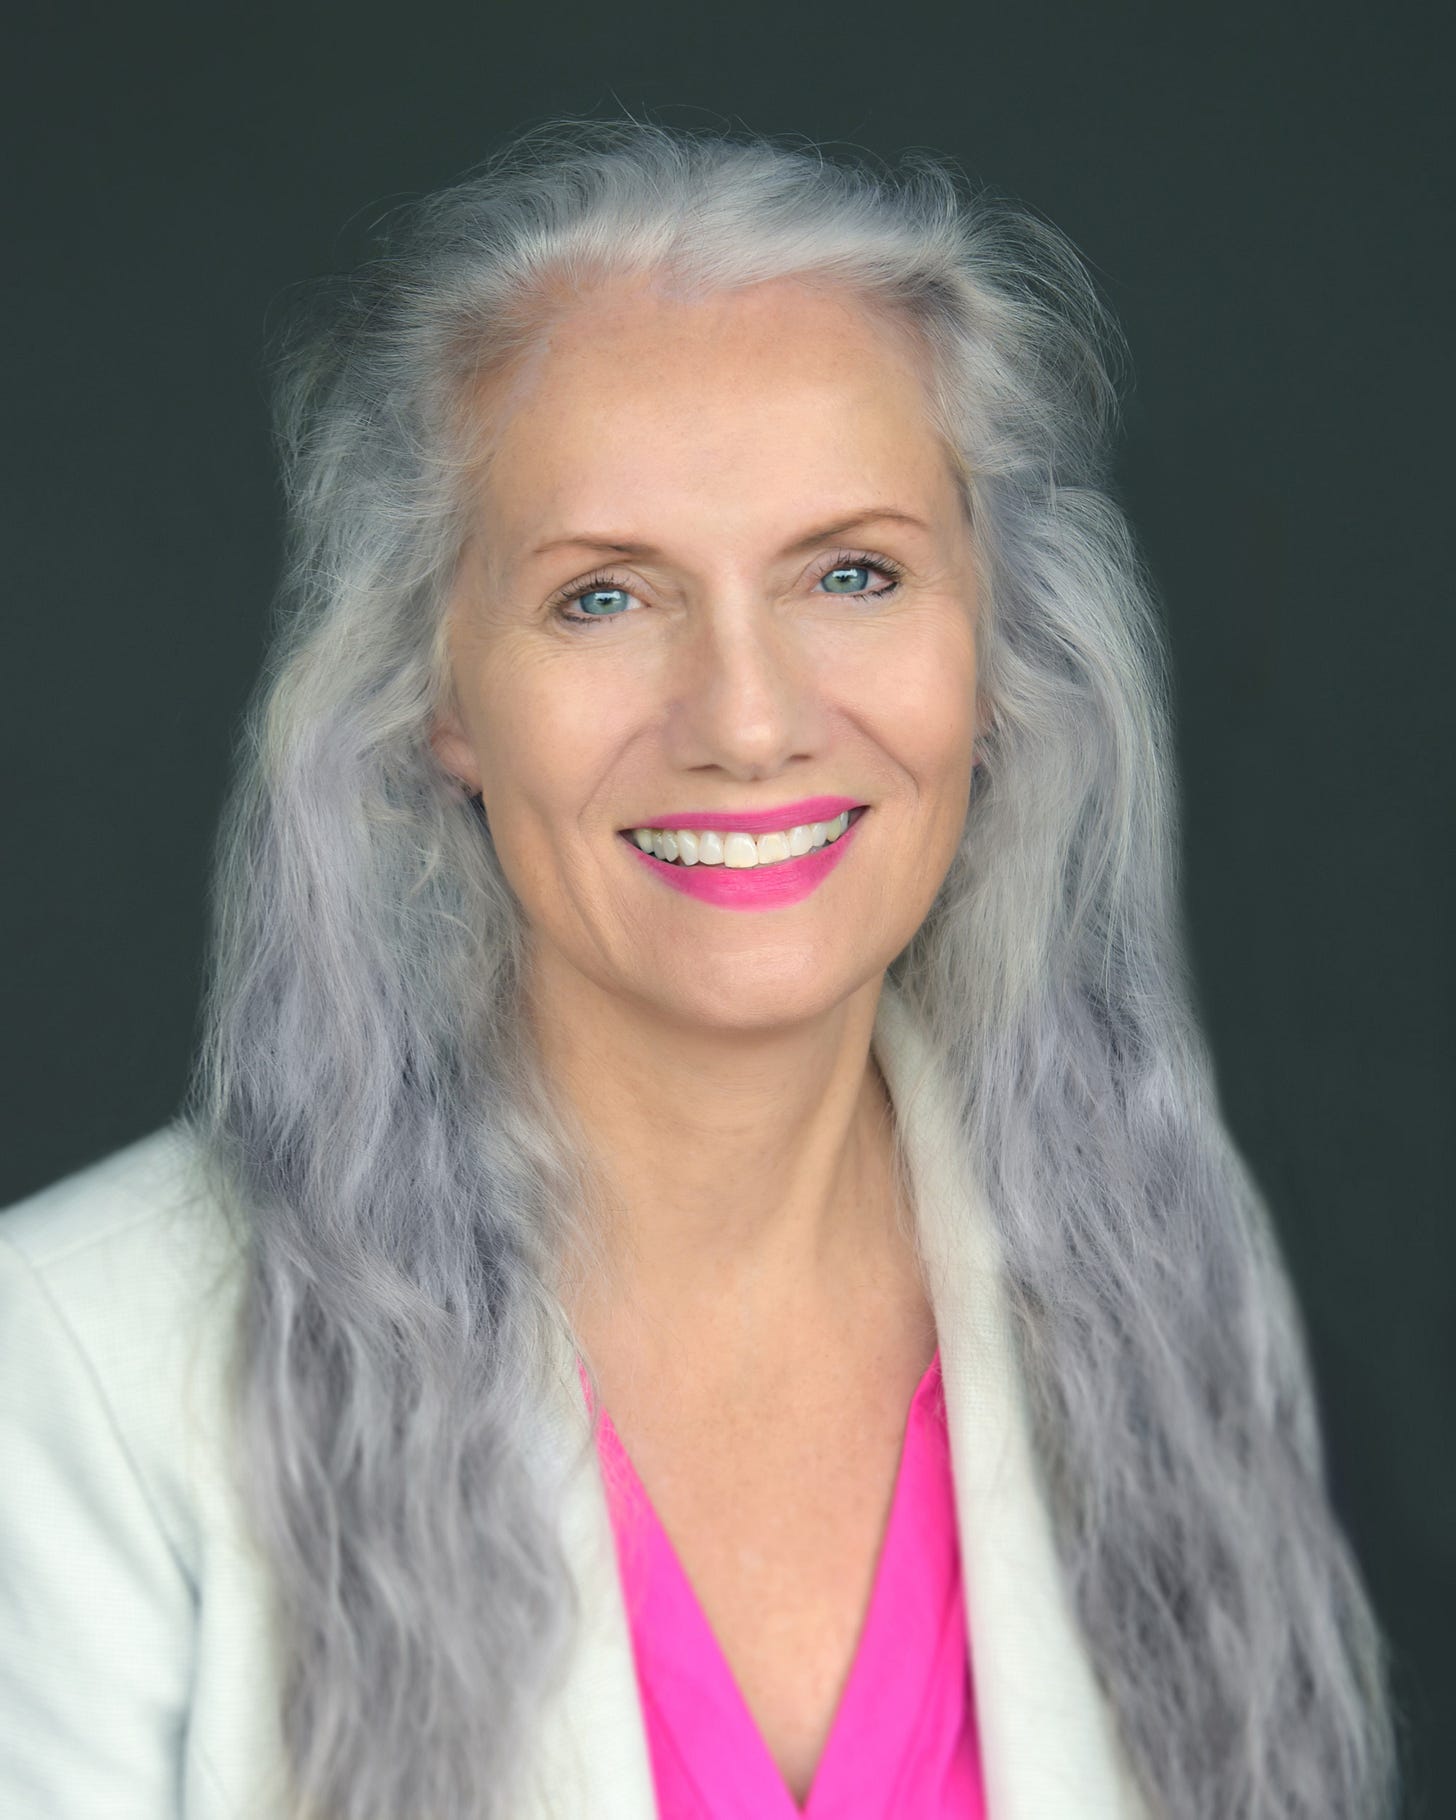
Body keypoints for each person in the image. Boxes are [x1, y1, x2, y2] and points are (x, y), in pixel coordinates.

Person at [0, 118, 1401, 1820]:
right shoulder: (64, 1363)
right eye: (604, 598)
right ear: (436, 692)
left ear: (1000, 652)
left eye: (854, 573)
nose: (747, 720)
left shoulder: (1148, 1274)